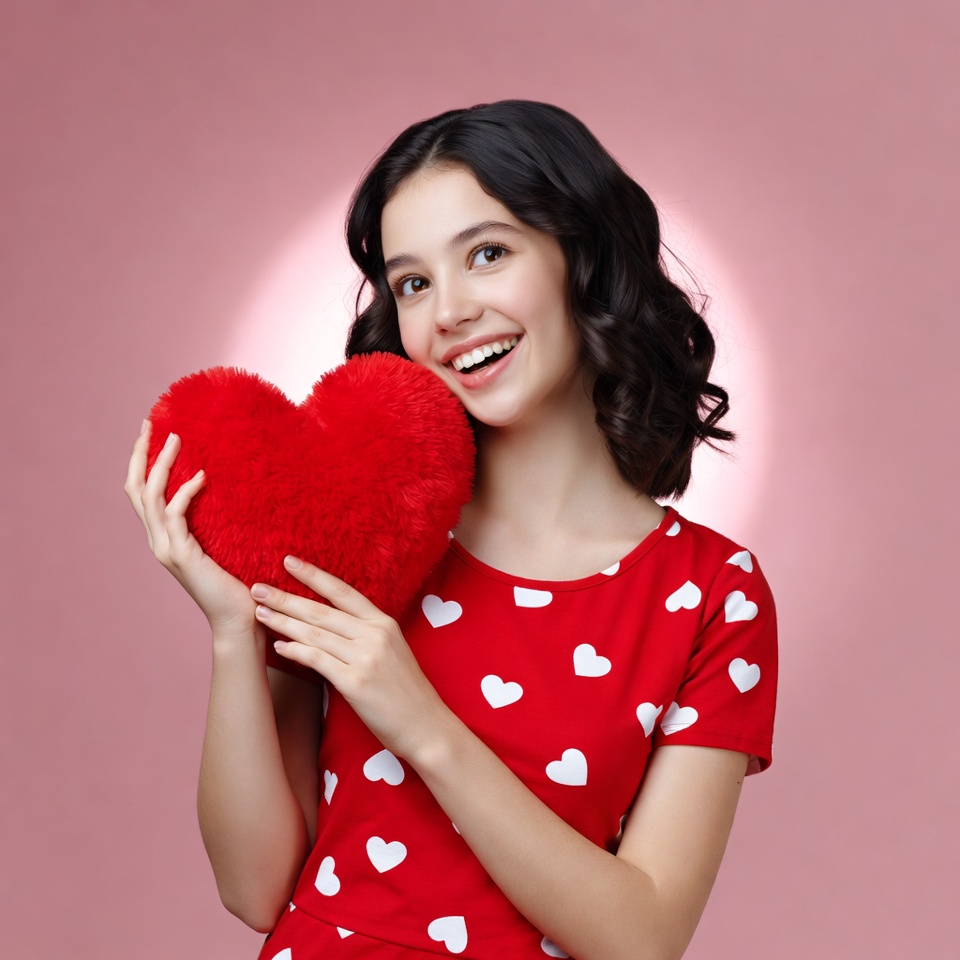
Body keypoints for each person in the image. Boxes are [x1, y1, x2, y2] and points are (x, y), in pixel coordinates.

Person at [125, 100, 777, 960]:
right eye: (413, 282)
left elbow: (643, 939)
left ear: (584, 256)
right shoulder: (363, 535)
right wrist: (232, 633)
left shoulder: (715, 595)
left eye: (488, 254)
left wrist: (420, 722)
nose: (450, 311)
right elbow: (253, 890)